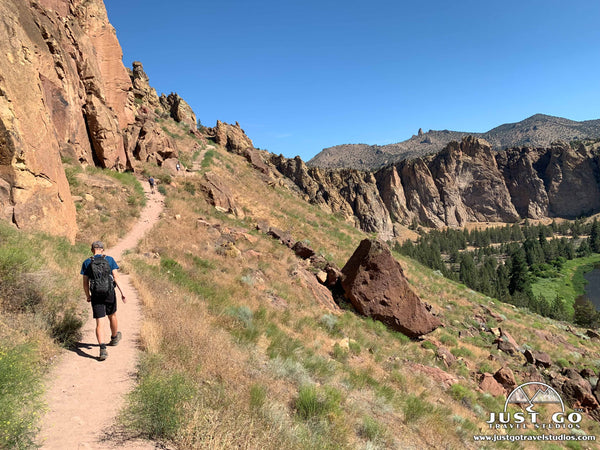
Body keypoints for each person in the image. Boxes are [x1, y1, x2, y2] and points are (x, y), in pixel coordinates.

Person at [81, 241, 126, 361]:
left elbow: (85, 283)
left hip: (96, 295)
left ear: (92, 250)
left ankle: (102, 349)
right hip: (109, 293)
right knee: (112, 316)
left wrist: (88, 295)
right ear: (102, 250)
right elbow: (116, 277)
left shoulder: (87, 262)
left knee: (99, 323)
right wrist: (123, 293)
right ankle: (114, 337)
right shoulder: (110, 260)